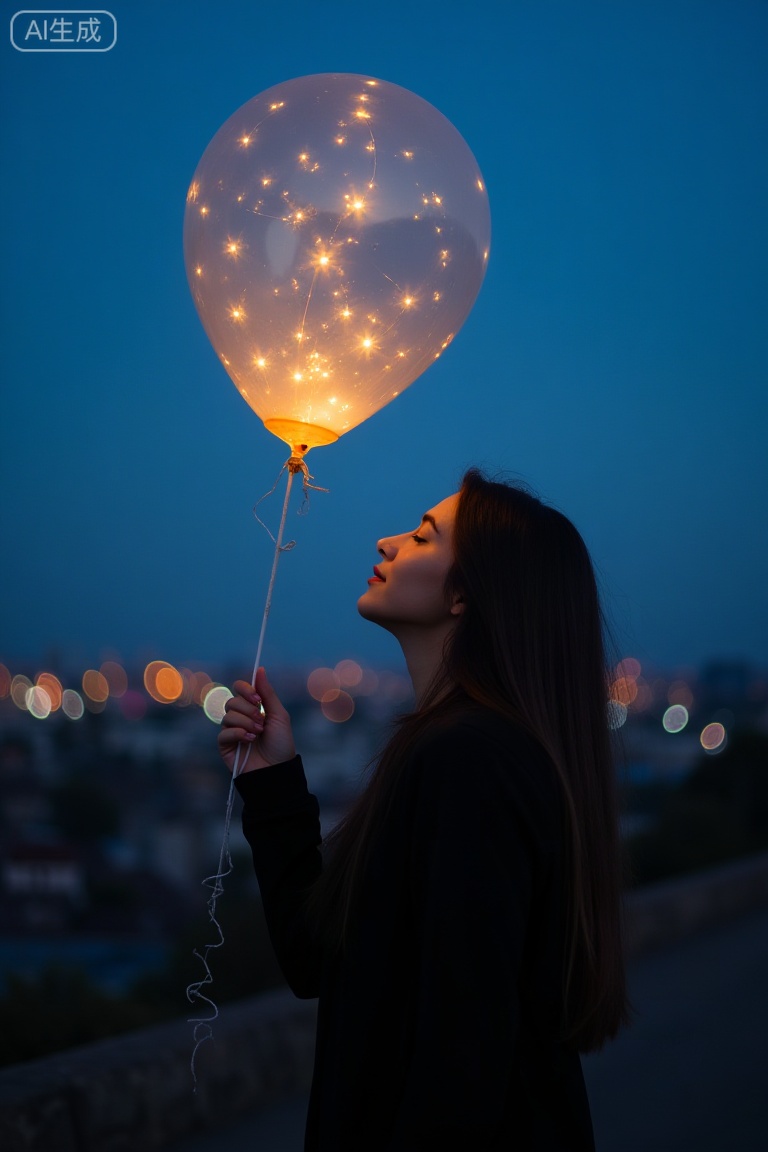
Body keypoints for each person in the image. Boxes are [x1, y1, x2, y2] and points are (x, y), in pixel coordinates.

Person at [219, 468, 628, 1150]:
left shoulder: (471, 759)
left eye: (421, 536)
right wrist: (275, 780)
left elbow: (462, 1058)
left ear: (465, 592)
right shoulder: (458, 749)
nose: (386, 543)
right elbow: (317, 960)